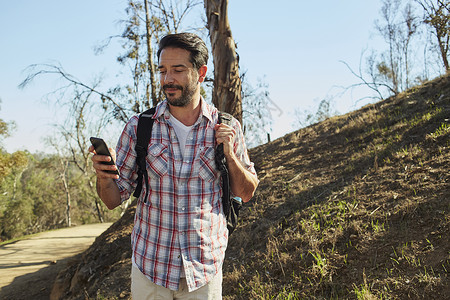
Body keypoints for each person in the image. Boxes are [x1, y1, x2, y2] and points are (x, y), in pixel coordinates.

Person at [90, 32, 258, 299]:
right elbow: (112, 200)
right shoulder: (139, 127)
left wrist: (230, 155)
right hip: (150, 270)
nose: (168, 79)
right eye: (163, 70)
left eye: (178, 70)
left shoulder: (227, 127)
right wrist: (103, 176)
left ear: (201, 73)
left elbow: (246, 192)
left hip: (204, 271)